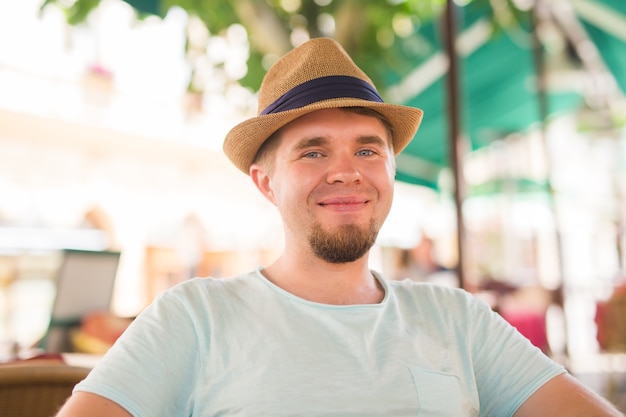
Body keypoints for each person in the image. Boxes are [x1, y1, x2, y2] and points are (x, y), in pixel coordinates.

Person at [56, 37, 623, 417]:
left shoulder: (458, 319)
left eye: (368, 149)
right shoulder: (195, 316)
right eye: (313, 152)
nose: (347, 171)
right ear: (265, 183)